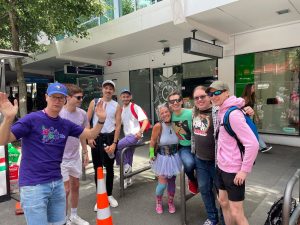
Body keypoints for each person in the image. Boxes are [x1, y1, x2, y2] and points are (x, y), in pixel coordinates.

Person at [0, 82, 106, 225]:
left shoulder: (65, 124)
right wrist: (8, 118)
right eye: (53, 97)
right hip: (34, 186)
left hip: (57, 183)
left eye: (60, 98)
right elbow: (2, 140)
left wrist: (101, 120)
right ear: (46, 97)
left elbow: (90, 133)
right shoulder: (32, 119)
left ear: (65, 100)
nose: (57, 100)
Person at [207, 81, 259, 225]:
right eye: (211, 93)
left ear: (226, 92)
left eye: (217, 92)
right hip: (221, 166)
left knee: (237, 212)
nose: (213, 96)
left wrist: (244, 171)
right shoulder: (220, 109)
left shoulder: (233, 114)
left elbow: (253, 144)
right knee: (223, 202)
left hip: (234, 170)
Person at [87, 80, 121, 210]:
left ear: (113, 91)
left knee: (110, 168)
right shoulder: (94, 102)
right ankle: (100, 196)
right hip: (97, 137)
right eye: (106, 88)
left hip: (110, 137)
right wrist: (89, 137)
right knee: (98, 168)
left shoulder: (116, 105)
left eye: (110, 88)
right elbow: (87, 120)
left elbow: (118, 126)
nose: (108, 90)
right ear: (102, 89)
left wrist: (114, 143)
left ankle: (110, 195)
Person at [59, 84, 89, 225]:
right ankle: (63, 218)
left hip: (75, 156)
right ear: (68, 97)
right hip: (60, 159)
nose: (81, 99)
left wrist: (85, 152)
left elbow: (83, 135)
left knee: (76, 185)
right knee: (65, 190)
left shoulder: (82, 114)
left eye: (82, 97)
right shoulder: (58, 113)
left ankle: (74, 216)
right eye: (78, 97)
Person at [149, 103, 182, 214]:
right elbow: (152, 141)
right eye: (162, 113)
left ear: (170, 112)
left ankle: (170, 202)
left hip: (174, 158)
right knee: (162, 184)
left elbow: (182, 138)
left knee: (172, 182)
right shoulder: (158, 126)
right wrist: (151, 154)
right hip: (162, 159)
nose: (164, 114)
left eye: (166, 112)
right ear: (159, 115)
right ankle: (158, 202)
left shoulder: (176, 124)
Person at [115, 88, 149, 189]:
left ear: (130, 97)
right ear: (121, 97)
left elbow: (145, 120)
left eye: (127, 96)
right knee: (127, 156)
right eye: (123, 96)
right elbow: (118, 124)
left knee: (116, 147)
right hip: (128, 137)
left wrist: (140, 131)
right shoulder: (121, 109)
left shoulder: (135, 107)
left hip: (135, 136)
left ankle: (126, 168)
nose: (125, 98)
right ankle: (128, 179)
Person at [167, 91, 198, 194]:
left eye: (178, 100)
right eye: (172, 101)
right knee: (189, 164)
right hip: (183, 147)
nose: (175, 103)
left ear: (182, 101)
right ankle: (192, 180)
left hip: (198, 145)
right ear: (169, 104)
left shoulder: (191, 113)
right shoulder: (169, 116)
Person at [241, 83, 272, 153]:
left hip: (248, 118)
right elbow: (240, 108)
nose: (254, 89)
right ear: (249, 89)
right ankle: (263, 147)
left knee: (252, 132)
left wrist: (256, 117)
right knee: (254, 132)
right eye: (253, 88)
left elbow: (253, 109)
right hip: (245, 118)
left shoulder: (251, 97)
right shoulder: (245, 98)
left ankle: (261, 147)